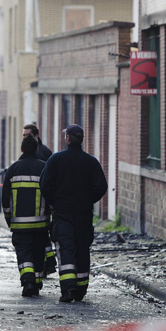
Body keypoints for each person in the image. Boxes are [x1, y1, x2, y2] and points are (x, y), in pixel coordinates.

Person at [39, 124, 107, 302]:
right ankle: (81, 289)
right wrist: (87, 200)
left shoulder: (55, 160)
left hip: (62, 214)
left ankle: (68, 289)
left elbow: (44, 185)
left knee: (66, 249)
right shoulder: (91, 161)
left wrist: (55, 201)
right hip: (83, 214)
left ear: (67, 138)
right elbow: (101, 187)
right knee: (82, 247)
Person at [2, 134, 50, 297]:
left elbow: (5, 199)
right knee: (38, 253)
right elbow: (51, 195)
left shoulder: (12, 169)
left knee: (24, 254)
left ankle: (28, 281)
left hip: (19, 224)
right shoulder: (45, 167)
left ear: (21, 149)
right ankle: (36, 282)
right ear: (37, 149)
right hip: (41, 224)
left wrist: (9, 219)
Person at [22, 123, 57, 274]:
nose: (25, 138)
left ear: (36, 136)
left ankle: (46, 264)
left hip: (38, 202)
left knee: (41, 237)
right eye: (23, 136)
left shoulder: (41, 153)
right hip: (39, 203)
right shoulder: (45, 151)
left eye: (27, 135)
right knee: (43, 237)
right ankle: (48, 262)